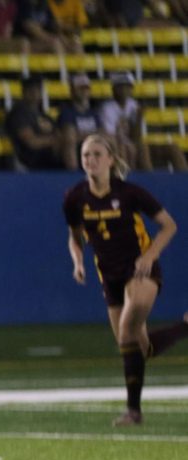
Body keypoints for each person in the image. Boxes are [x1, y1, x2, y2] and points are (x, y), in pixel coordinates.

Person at [63, 133, 188, 426]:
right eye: (85, 155)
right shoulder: (75, 197)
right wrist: (78, 262)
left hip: (141, 270)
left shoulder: (130, 193)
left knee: (128, 327)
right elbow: (75, 238)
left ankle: (133, 412)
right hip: (110, 276)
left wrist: (149, 257)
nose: (90, 160)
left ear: (110, 159)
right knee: (137, 347)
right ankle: (185, 327)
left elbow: (169, 226)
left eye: (96, 154)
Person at [99, 71, 187, 172]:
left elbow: (137, 136)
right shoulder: (107, 108)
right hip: (120, 147)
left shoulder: (133, 105)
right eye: (121, 86)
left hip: (135, 144)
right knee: (141, 148)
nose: (124, 90)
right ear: (113, 89)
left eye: (127, 86)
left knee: (173, 148)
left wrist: (138, 119)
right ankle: (150, 181)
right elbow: (111, 138)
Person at [5, 75, 64, 170]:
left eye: (37, 89)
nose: (34, 92)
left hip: (49, 158)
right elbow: (31, 142)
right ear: (24, 92)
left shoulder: (44, 115)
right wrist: (53, 140)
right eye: (31, 89)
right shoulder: (19, 113)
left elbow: (58, 134)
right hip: (30, 160)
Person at [56, 73, 101, 171]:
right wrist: (92, 135)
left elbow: (102, 133)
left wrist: (83, 135)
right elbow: (69, 136)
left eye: (86, 88)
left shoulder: (94, 113)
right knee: (70, 144)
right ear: (72, 90)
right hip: (77, 148)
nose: (84, 91)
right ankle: (73, 176)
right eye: (80, 88)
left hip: (93, 146)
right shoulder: (67, 112)